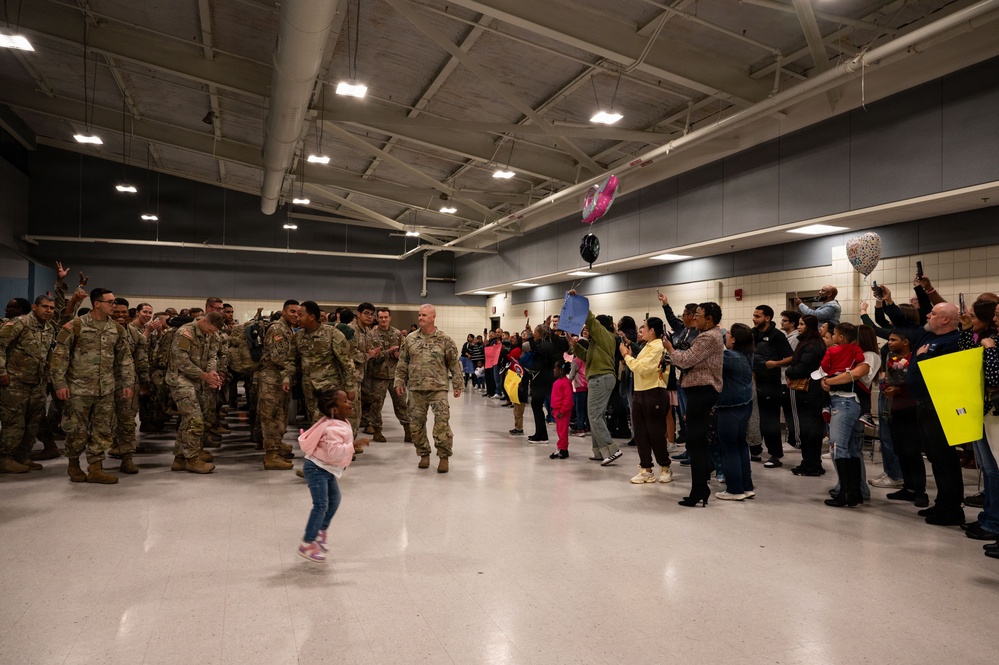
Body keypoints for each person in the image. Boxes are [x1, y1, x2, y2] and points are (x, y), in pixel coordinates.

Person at [883, 289, 965, 526]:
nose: (927, 315)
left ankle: (952, 508)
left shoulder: (954, 340)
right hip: (924, 406)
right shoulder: (927, 337)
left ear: (946, 319)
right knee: (934, 457)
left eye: (933, 313)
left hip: (940, 406)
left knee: (945, 458)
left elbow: (947, 372)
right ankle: (941, 503)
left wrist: (925, 357)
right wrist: (887, 302)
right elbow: (901, 322)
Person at [49, 288, 135, 484]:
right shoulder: (75, 326)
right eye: (110, 302)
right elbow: (59, 357)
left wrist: (128, 382)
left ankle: (96, 468)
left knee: (102, 430)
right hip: (78, 389)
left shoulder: (117, 329)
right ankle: (73, 465)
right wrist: (60, 384)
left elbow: (125, 359)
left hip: (106, 389)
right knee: (77, 430)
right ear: (97, 303)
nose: (114, 306)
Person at [663, 302, 725, 507]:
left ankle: (699, 489)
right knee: (696, 442)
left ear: (709, 319)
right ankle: (700, 487)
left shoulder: (708, 337)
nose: (694, 318)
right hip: (698, 392)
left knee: (695, 443)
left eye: (698, 315)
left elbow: (685, 360)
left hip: (702, 392)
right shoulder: (708, 335)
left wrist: (670, 348)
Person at [296, 389, 369, 563]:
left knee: (334, 499)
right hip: (317, 469)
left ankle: (320, 531)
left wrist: (347, 397)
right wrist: (354, 446)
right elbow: (334, 452)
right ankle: (307, 543)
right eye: (345, 402)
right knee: (321, 505)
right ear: (334, 410)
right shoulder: (332, 428)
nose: (350, 403)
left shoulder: (339, 421)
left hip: (326, 469)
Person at [394, 304, 463, 473]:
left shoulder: (445, 340)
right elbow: (403, 362)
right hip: (416, 388)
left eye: (424, 315)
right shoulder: (410, 339)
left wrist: (457, 384)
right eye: (419, 315)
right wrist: (399, 381)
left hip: (438, 388)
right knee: (416, 425)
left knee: (442, 424)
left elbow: (454, 363)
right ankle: (424, 454)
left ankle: (443, 457)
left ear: (433, 317)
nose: (420, 318)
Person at [0, 295, 58, 474]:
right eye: (45, 306)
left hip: (37, 383)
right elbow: (0, 346)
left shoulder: (49, 328)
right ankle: (5, 458)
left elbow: (48, 354)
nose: (48, 311)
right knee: (14, 422)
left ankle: (21, 455)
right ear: (35, 306)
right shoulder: (20, 323)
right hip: (15, 383)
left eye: (51, 308)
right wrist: (1, 371)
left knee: (32, 423)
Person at [567, 292, 623, 466]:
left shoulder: (605, 335)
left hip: (601, 378)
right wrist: (575, 346)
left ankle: (611, 449)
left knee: (594, 415)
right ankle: (599, 451)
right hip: (600, 378)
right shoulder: (597, 343)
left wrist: (579, 303)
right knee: (597, 416)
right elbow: (586, 358)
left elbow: (591, 320)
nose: (587, 329)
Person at [167, 312, 226, 474]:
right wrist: (204, 375)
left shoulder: (212, 334)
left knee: (189, 420)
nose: (210, 334)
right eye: (209, 330)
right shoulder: (185, 333)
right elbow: (181, 361)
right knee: (195, 419)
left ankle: (180, 459)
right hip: (180, 379)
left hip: (199, 380)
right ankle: (192, 460)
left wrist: (212, 372)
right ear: (203, 320)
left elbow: (213, 355)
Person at [820, 323, 871, 508]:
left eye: (833, 334)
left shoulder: (834, 351)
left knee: (838, 447)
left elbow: (825, 368)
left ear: (840, 337)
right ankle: (855, 491)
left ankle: (845, 493)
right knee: (848, 449)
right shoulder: (857, 351)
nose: (830, 336)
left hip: (844, 401)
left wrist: (827, 380)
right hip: (844, 401)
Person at [620, 317, 673, 484]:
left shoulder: (658, 347)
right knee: (641, 433)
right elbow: (639, 365)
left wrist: (626, 357)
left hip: (654, 391)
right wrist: (631, 357)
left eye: (644, 327)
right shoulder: (646, 347)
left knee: (655, 432)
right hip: (640, 391)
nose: (640, 330)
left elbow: (642, 367)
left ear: (652, 331)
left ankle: (665, 467)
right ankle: (646, 469)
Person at [880, 329, 928, 508]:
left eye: (893, 340)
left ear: (906, 342)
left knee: (912, 451)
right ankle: (908, 487)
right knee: (899, 449)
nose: (890, 343)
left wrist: (900, 390)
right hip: (894, 407)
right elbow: (887, 376)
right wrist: (886, 386)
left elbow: (918, 382)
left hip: (910, 407)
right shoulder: (891, 358)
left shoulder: (914, 359)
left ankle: (920, 489)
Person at [108, 297, 150, 474]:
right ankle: (102, 456)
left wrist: (144, 381)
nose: (120, 315)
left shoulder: (133, 333)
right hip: (103, 384)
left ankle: (127, 458)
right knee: (105, 422)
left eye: (123, 312)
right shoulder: (102, 329)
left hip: (128, 383)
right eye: (116, 312)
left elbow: (141, 359)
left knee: (127, 421)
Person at [715, 323, 756, 500]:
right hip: (745, 406)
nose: (726, 335)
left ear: (734, 339)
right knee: (740, 445)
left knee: (729, 447)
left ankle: (734, 490)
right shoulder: (748, 355)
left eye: (729, 333)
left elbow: (709, 361)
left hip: (729, 408)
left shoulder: (730, 357)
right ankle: (746, 486)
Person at [257, 300, 299, 470]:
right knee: (271, 417)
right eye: (292, 311)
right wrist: (299, 365)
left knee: (281, 414)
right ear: (283, 311)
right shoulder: (277, 328)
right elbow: (278, 357)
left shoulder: (288, 328)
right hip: (271, 380)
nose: (295, 315)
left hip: (282, 378)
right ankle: (271, 455)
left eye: (297, 312)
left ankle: (277, 444)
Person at [751, 305, 794, 468]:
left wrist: (775, 364)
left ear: (767, 318)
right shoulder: (753, 333)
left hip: (770, 383)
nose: (754, 319)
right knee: (755, 418)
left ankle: (775, 455)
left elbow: (791, 357)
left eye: (758, 316)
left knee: (770, 420)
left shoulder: (777, 336)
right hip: (754, 382)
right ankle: (755, 450)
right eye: (754, 316)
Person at [786, 315, 828, 476]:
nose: (799, 327)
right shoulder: (812, 342)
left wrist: (790, 371)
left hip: (810, 391)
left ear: (810, 326)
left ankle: (810, 465)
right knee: (812, 429)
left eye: (802, 324)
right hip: (814, 390)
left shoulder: (811, 345)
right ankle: (812, 463)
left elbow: (803, 368)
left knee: (809, 429)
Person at [361, 307, 410, 443]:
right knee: (376, 405)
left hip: (395, 376)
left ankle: (408, 430)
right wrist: (387, 352)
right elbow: (371, 356)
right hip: (378, 376)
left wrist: (398, 355)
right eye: (381, 317)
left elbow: (405, 354)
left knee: (401, 404)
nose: (383, 320)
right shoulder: (371, 334)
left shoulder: (397, 334)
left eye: (386, 317)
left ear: (390, 318)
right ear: (377, 318)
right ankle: (377, 431)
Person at [526, 325, 557, 443]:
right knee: (536, 406)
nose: (534, 334)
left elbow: (539, 360)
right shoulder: (545, 344)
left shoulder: (544, 346)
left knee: (537, 405)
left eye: (535, 332)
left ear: (541, 333)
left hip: (542, 379)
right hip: (543, 378)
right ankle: (539, 433)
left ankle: (542, 436)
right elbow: (533, 345)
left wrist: (529, 366)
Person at [779, 310, 801, 449]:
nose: (782, 322)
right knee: (787, 411)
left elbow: (791, 359)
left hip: (790, 380)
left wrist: (774, 362)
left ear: (793, 323)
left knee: (792, 412)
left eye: (785, 320)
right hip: (783, 378)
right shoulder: (787, 337)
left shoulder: (795, 338)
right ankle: (792, 439)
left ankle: (795, 441)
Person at [549, 361, 573, 460]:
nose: (554, 370)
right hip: (557, 410)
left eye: (556, 368)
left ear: (561, 371)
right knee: (560, 430)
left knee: (563, 431)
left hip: (563, 412)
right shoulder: (558, 382)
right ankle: (561, 447)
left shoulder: (566, 383)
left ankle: (563, 448)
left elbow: (568, 399)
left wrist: (562, 411)